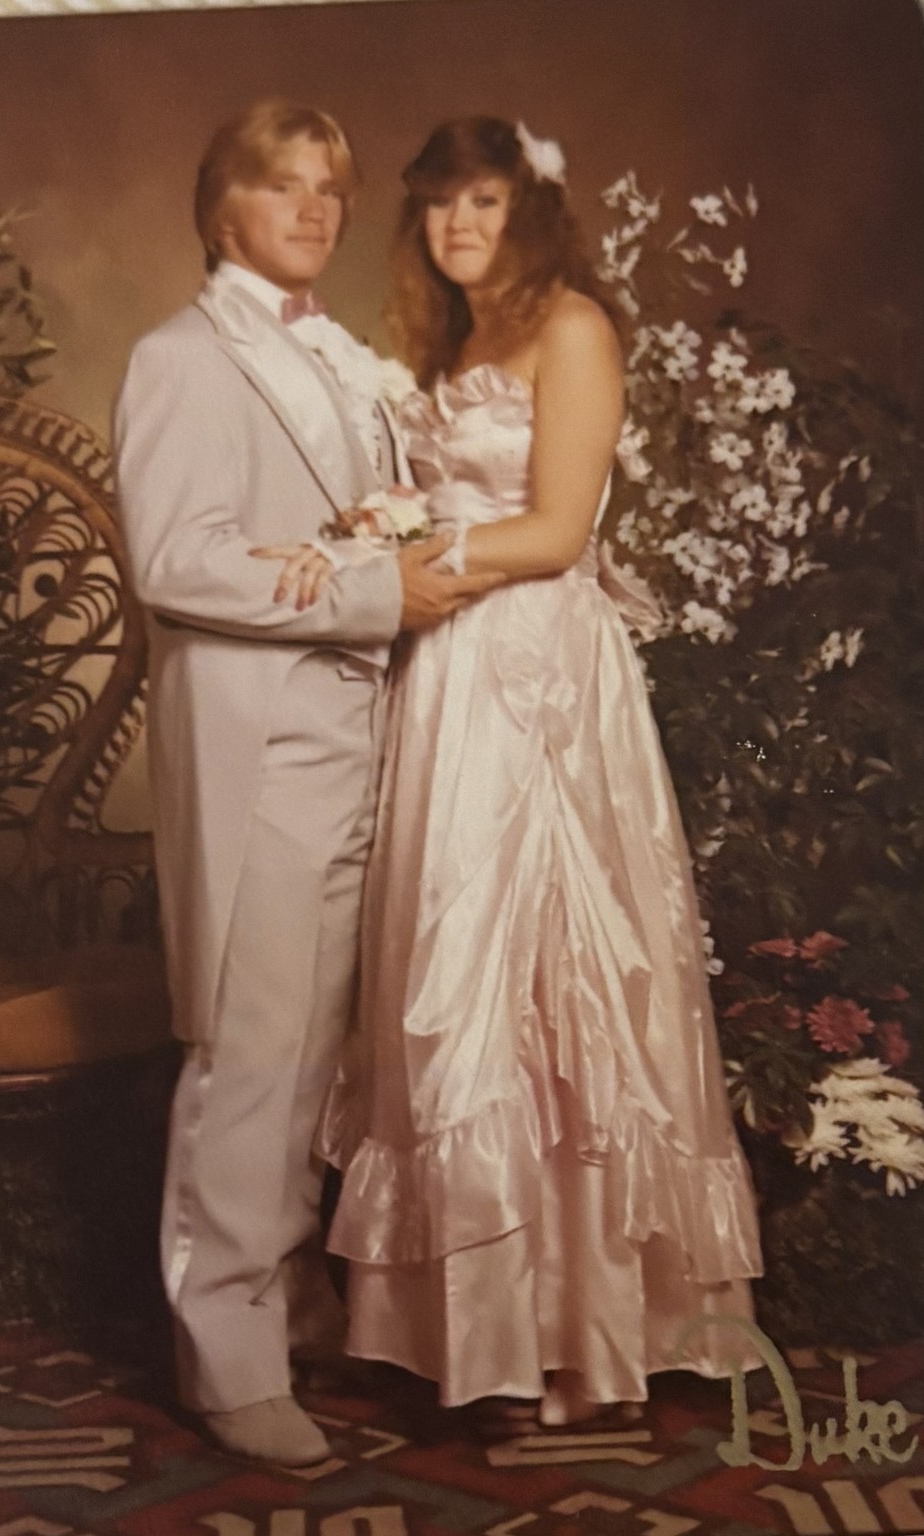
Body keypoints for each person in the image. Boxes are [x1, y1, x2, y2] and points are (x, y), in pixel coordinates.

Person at [316, 116, 764, 1424]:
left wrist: (413, 554)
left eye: (486, 201)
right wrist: (378, 541)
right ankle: (479, 1334)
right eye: (440, 203)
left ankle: (594, 1334)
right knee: (452, 975)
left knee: (562, 974)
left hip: (538, 678)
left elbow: (561, 531)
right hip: (446, 674)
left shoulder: (572, 329)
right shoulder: (451, 345)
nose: (460, 225)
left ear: (531, 210)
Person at [113, 99, 500, 1467]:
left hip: (364, 737)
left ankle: (288, 1303)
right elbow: (178, 558)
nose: (316, 210)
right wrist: (374, 589)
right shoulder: (180, 357)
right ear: (222, 210)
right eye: (284, 186)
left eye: (330, 187)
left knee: (319, 1058)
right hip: (265, 751)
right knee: (253, 1053)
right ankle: (224, 1356)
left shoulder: (338, 355)